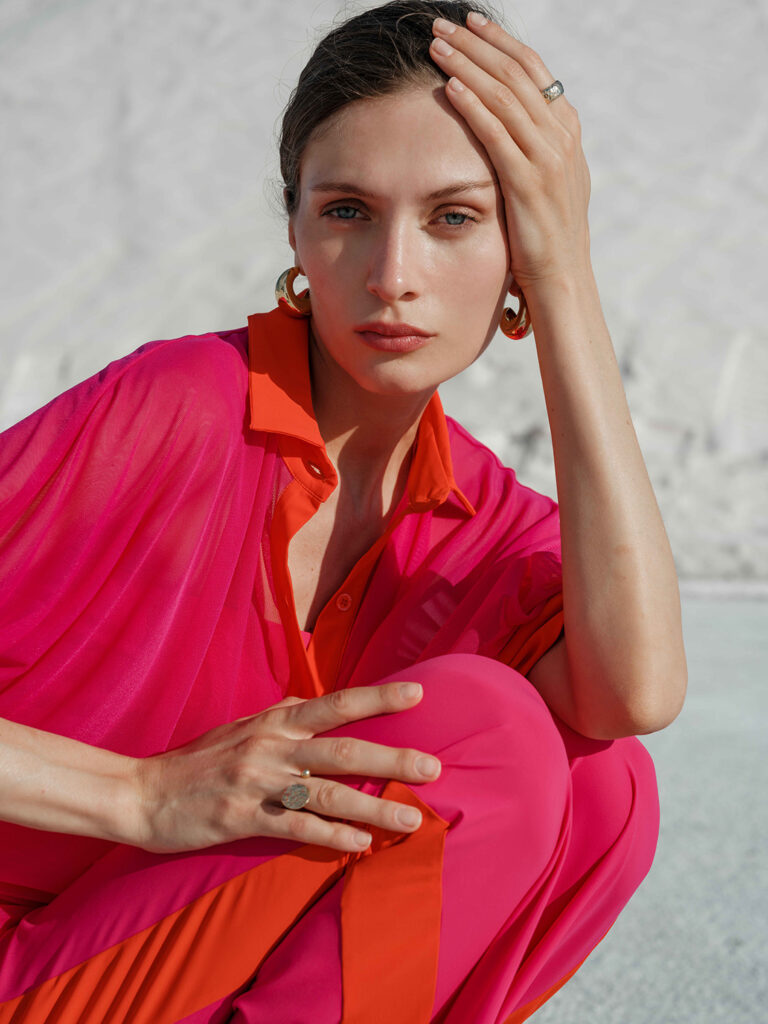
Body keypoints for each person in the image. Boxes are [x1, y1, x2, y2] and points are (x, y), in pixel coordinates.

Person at [0, 1, 687, 1021]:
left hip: (173, 965)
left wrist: (567, 281)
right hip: (30, 959)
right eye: (347, 212)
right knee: (487, 721)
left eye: (455, 218)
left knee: (605, 789)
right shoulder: (177, 409)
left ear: (516, 254)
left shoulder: (485, 521)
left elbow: (633, 693)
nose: (392, 276)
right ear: (296, 229)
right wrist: (136, 796)